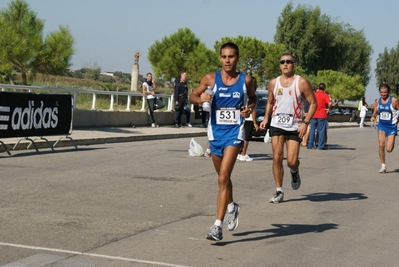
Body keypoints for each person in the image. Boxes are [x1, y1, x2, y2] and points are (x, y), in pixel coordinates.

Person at [189, 42, 257, 241]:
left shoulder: (246, 80)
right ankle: (231, 206)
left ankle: (216, 226)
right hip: (215, 133)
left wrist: (249, 109)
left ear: (237, 58)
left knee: (223, 177)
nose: (227, 60)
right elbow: (193, 96)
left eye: (231, 57)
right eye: (224, 57)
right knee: (223, 177)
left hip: (234, 133)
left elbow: (253, 99)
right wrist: (201, 99)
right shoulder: (211, 78)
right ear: (220, 58)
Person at [259, 53, 316, 204]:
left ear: (294, 65)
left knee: (291, 160)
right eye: (282, 62)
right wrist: (266, 118)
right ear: (279, 65)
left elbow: (313, 103)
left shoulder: (301, 82)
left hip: (294, 125)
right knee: (277, 157)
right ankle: (279, 191)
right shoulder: (273, 83)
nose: (285, 64)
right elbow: (270, 102)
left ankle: (294, 170)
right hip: (277, 124)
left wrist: (305, 122)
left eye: (288, 62)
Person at [370, 83, 399, 173]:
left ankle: (388, 139)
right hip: (382, 125)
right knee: (381, 145)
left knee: (389, 149)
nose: (383, 94)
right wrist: (373, 116)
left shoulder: (394, 101)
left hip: (391, 127)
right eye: (382, 92)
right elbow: (375, 111)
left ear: (388, 92)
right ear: (379, 92)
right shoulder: (377, 101)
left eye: (385, 92)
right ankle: (383, 166)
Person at [237, 76, 258, 162]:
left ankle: (238, 153)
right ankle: (243, 154)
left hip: (240, 116)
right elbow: (253, 110)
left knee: (240, 137)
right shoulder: (252, 95)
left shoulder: (243, 93)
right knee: (246, 138)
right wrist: (255, 122)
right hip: (248, 118)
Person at [307, 83, 331, 150]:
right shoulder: (325, 95)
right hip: (321, 114)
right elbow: (329, 103)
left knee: (312, 130)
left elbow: (310, 102)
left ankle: (310, 145)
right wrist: (328, 108)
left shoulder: (314, 94)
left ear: (318, 87)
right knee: (321, 131)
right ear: (324, 88)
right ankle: (320, 145)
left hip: (313, 114)